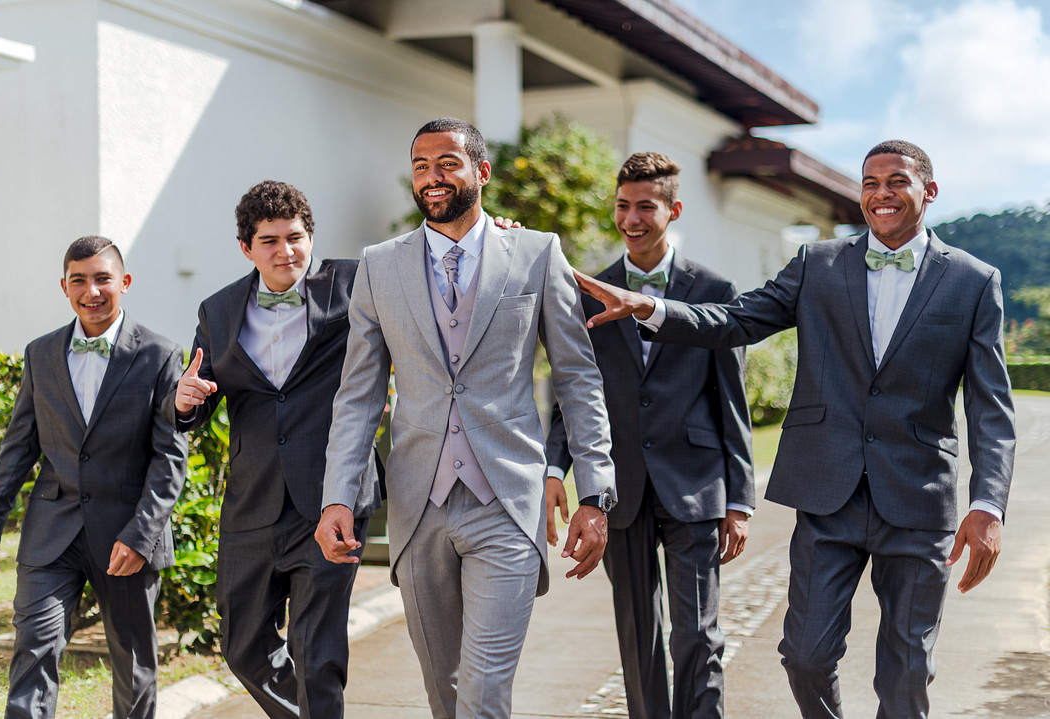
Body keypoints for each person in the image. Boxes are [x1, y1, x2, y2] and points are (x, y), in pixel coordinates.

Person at [573, 140, 1015, 719]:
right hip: (826, 494)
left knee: (907, 668)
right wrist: (650, 308)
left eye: (896, 182)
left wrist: (988, 504)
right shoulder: (818, 264)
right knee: (804, 657)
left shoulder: (973, 281)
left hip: (918, 498)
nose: (881, 194)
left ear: (927, 192)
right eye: (870, 183)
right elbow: (735, 320)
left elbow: (990, 404)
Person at [315, 117, 616, 719]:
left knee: (483, 692)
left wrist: (596, 491)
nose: (433, 177)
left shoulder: (536, 254)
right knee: (444, 694)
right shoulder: (379, 265)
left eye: (448, 163)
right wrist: (337, 497)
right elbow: (358, 395)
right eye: (421, 165)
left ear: (480, 172)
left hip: (506, 500)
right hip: (417, 504)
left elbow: (578, 379)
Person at [545, 151, 754, 719]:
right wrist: (553, 468)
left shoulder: (714, 287)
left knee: (698, 633)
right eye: (622, 206)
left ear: (673, 209)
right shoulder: (587, 289)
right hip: (621, 489)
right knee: (638, 635)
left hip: (696, 485)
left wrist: (739, 500)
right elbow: (572, 392)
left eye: (645, 206)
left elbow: (729, 397)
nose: (631, 219)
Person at [164, 181, 381, 719]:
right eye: (270, 241)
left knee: (316, 651)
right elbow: (201, 393)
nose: (286, 251)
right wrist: (186, 402)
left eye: (296, 237)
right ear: (246, 247)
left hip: (333, 494)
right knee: (242, 647)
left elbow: (431, 266)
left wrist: (496, 234)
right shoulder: (217, 310)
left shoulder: (355, 283)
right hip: (253, 501)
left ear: (311, 236)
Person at [0, 236, 188, 719]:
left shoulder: (160, 355)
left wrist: (141, 535)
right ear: (64, 287)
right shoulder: (41, 354)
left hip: (128, 536)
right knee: (34, 648)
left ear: (124, 283)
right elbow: (19, 445)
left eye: (102, 279)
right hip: (53, 530)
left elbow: (170, 457)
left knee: (133, 667)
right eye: (79, 281)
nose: (91, 291)